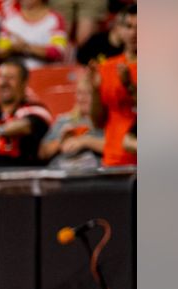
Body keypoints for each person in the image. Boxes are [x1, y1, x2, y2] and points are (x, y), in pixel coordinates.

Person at [89, 4, 135, 167]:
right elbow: (97, 122)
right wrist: (95, 90)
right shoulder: (107, 67)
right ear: (120, 30)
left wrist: (129, 86)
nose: (134, 33)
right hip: (113, 159)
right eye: (129, 27)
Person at [39, 75, 104, 170]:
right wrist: (60, 142)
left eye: (88, 93)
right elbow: (42, 154)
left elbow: (117, 149)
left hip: (92, 173)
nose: (82, 98)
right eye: (79, 93)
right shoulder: (64, 120)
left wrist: (86, 141)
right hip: (60, 172)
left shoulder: (104, 122)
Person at [0, 0, 70, 69]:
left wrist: (26, 47)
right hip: (17, 75)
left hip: (47, 74)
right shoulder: (9, 20)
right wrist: (12, 48)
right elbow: (0, 51)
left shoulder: (55, 19)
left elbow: (58, 51)